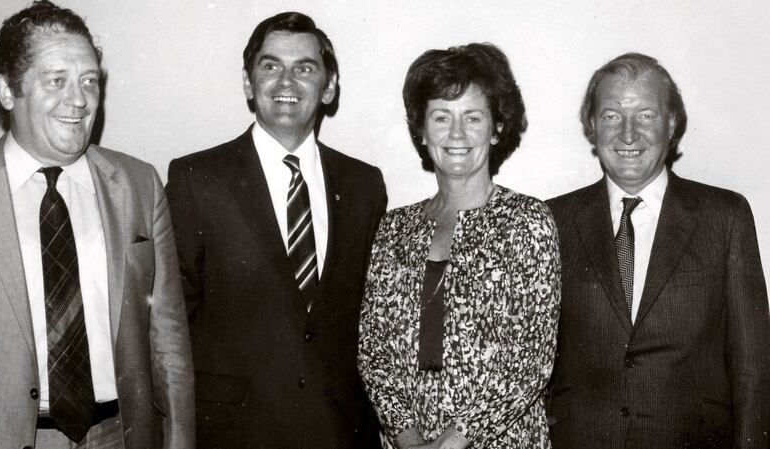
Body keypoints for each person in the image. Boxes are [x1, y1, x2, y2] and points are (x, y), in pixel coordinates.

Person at [0, 2, 195, 448]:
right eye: (57, 81)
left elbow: (168, 340)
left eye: (89, 81)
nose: (79, 99)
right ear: (6, 91)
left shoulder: (138, 184)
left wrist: (180, 440)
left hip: (119, 435)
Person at [165, 11, 387, 449]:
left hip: (340, 431)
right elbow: (171, 323)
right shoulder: (196, 178)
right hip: (232, 432)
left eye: (304, 68)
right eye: (270, 66)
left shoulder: (364, 184)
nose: (286, 81)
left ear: (329, 86)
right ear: (249, 83)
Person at [547, 52, 770, 449]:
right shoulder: (552, 220)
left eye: (646, 115)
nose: (628, 133)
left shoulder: (725, 216)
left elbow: (752, 368)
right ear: (592, 126)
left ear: (671, 125)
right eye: (612, 115)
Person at [358, 43, 561, 449]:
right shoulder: (395, 227)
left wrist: (450, 445)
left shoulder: (527, 222)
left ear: (496, 127)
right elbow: (373, 352)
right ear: (421, 129)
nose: (456, 134)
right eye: (440, 117)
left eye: (472, 117)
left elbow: (529, 362)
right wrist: (409, 439)